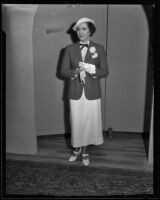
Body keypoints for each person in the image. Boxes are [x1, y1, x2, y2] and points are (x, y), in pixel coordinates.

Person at [61, 17, 109, 166]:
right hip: (75, 91)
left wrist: (91, 69)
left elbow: (105, 71)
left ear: (90, 31)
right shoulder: (69, 49)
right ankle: (76, 149)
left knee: (89, 122)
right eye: (78, 29)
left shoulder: (99, 48)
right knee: (76, 122)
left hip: (92, 92)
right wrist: (76, 71)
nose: (80, 32)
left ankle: (85, 150)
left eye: (84, 29)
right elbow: (63, 71)